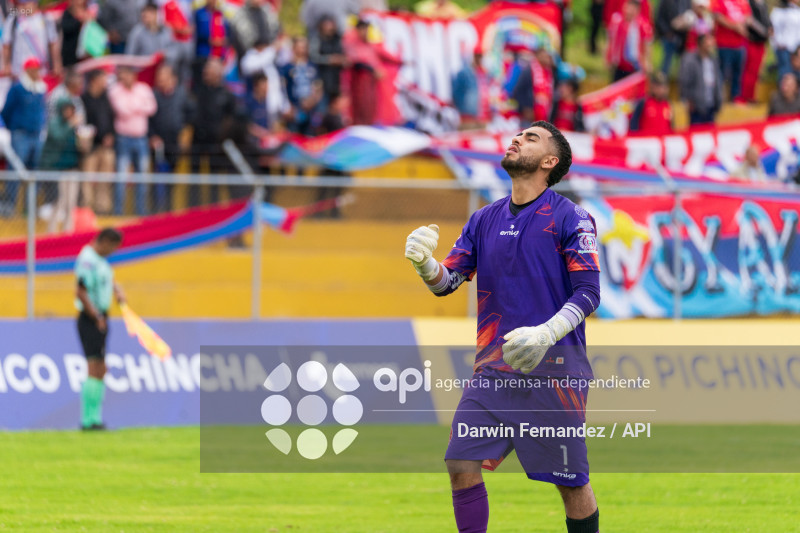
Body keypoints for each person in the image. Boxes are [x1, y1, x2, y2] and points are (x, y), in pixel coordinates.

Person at [404, 121, 601, 533]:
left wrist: (545, 333)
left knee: (571, 485)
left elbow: (588, 293)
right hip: (493, 373)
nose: (517, 139)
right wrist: (426, 265)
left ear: (550, 162)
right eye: (518, 135)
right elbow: (449, 282)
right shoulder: (483, 219)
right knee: (460, 464)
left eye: (531, 138)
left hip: (554, 375)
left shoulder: (572, 218)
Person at [76, 227, 125, 431]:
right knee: (93, 366)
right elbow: (80, 291)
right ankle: (88, 419)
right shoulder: (87, 259)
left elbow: (107, 280)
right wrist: (96, 316)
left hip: (101, 317)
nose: (112, 251)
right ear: (104, 242)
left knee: (101, 367)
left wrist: (117, 289)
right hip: (91, 319)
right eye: (112, 247)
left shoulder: (101, 261)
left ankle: (95, 417)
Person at [108, 65, 157, 215]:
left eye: (126, 75)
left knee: (142, 176)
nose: (124, 79)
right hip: (123, 139)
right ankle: (118, 212)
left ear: (133, 76)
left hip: (141, 139)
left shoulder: (144, 88)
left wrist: (133, 106)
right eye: (121, 76)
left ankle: (141, 212)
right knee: (121, 177)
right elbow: (122, 110)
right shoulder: (115, 90)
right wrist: (140, 106)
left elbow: (152, 108)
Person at [0, 57, 47, 214]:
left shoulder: (40, 89)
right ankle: (10, 207)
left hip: (36, 134)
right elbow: (7, 110)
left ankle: (30, 208)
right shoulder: (18, 89)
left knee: (34, 171)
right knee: (15, 169)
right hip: (20, 134)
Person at [189, 57, 237, 206]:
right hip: (197, 141)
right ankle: (194, 209)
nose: (206, 73)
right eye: (206, 70)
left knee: (214, 179)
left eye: (210, 70)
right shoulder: (198, 91)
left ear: (218, 73)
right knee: (194, 179)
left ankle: (213, 209)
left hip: (216, 143)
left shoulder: (227, 95)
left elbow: (231, 119)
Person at [149, 64, 191, 212]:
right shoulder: (153, 95)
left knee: (172, 179)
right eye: (159, 77)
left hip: (175, 142)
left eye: (164, 77)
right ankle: (156, 210)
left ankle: (169, 210)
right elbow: (148, 119)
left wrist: (185, 133)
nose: (160, 80)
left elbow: (190, 114)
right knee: (157, 178)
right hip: (158, 143)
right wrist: (152, 136)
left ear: (173, 79)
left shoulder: (181, 94)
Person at [81, 69, 115, 214]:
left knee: (105, 178)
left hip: (105, 146)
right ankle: (87, 208)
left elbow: (111, 119)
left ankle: (103, 208)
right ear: (94, 81)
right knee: (88, 179)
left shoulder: (106, 98)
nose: (105, 83)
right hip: (90, 147)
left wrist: (110, 135)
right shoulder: (84, 99)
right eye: (103, 80)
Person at [1, 0, 62, 78]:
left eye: (27, 3)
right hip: (19, 72)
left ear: (35, 3)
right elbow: (6, 44)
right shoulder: (13, 18)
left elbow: (53, 43)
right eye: (21, 4)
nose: (24, 6)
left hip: (41, 71)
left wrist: (57, 64)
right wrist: (6, 65)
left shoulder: (46, 18)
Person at [710, 0, 751, 101]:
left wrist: (742, 25)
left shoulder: (741, 2)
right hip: (724, 44)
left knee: (738, 74)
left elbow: (748, 16)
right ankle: (719, 98)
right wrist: (735, 26)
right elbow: (717, 16)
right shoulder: (719, 1)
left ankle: (735, 98)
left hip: (739, 45)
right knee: (722, 73)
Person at [679, 33, 723, 125]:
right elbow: (685, 81)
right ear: (701, 44)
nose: (711, 45)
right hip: (696, 106)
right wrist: (688, 99)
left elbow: (717, 81)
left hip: (711, 105)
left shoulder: (713, 60)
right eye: (708, 42)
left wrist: (718, 101)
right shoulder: (690, 60)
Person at [606, 0, 652, 81]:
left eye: (634, 8)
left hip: (634, 65)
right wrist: (608, 58)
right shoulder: (617, 21)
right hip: (619, 65)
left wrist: (647, 62)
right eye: (629, 7)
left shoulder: (642, 25)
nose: (631, 10)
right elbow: (610, 41)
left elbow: (646, 44)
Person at [193, 0, 230, 87]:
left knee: (218, 83)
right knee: (204, 83)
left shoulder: (220, 14)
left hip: (219, 55)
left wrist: (224, 41)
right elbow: (196, 32)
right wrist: (209, 39)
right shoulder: (199, 13)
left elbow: (227, 32)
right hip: (204, 55)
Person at [309, 16, 346, 102]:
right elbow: (313, 57)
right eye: (326, 24)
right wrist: (329, 60)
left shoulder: (337, 39)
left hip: (336, 80)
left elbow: (344, 54)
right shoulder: (317, 39)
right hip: (321, 78)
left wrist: (342, 60)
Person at [740, 0, 770, 102]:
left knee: (756, 71)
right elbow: (749, 20)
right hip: (752, 41)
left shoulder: (763, 4)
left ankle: (752, 95)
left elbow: (767, 21)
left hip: (761, 43)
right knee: (748, 70)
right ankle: (745, 96)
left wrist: (769, 30)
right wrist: (764, 31)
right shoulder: (749, 3)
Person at [655, 0, 691, 75]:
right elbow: (659, 18)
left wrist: (685, 22)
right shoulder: (665, 1)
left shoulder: (687, 1)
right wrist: (667, 32)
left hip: (683, 36)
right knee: (666, 62)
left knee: (684, 63)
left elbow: (690, 14)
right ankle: (661, 83)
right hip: (669, 35)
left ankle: (682, 82)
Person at [769, 0, 800, 80]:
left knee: (796, 74)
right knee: (785, 75)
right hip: (783, 49)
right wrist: (777, 44)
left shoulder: (797, 10)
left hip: (795, 49)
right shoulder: (779, 10)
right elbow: (772, 30)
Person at [60, 0, 93, 68]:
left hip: (86, 54)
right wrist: (79, 21)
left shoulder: (89, 11)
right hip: (70, 54)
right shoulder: (68, 13)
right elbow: (66, 28)